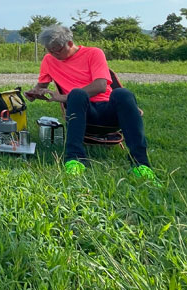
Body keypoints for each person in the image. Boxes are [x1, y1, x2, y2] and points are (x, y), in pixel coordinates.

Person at [24, 25, 158, 183]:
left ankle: (141, 165)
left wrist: (63, 97)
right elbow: (42, 86)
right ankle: (75, 160)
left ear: (69, 43)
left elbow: (101, 85)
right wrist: (35, 93)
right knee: (77, 94)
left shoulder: (94, 53)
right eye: (49, 50)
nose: (53, 54)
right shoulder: (49, 60)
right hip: (81, 111)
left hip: (106, 110)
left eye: (57, 50)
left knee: (123, 93)